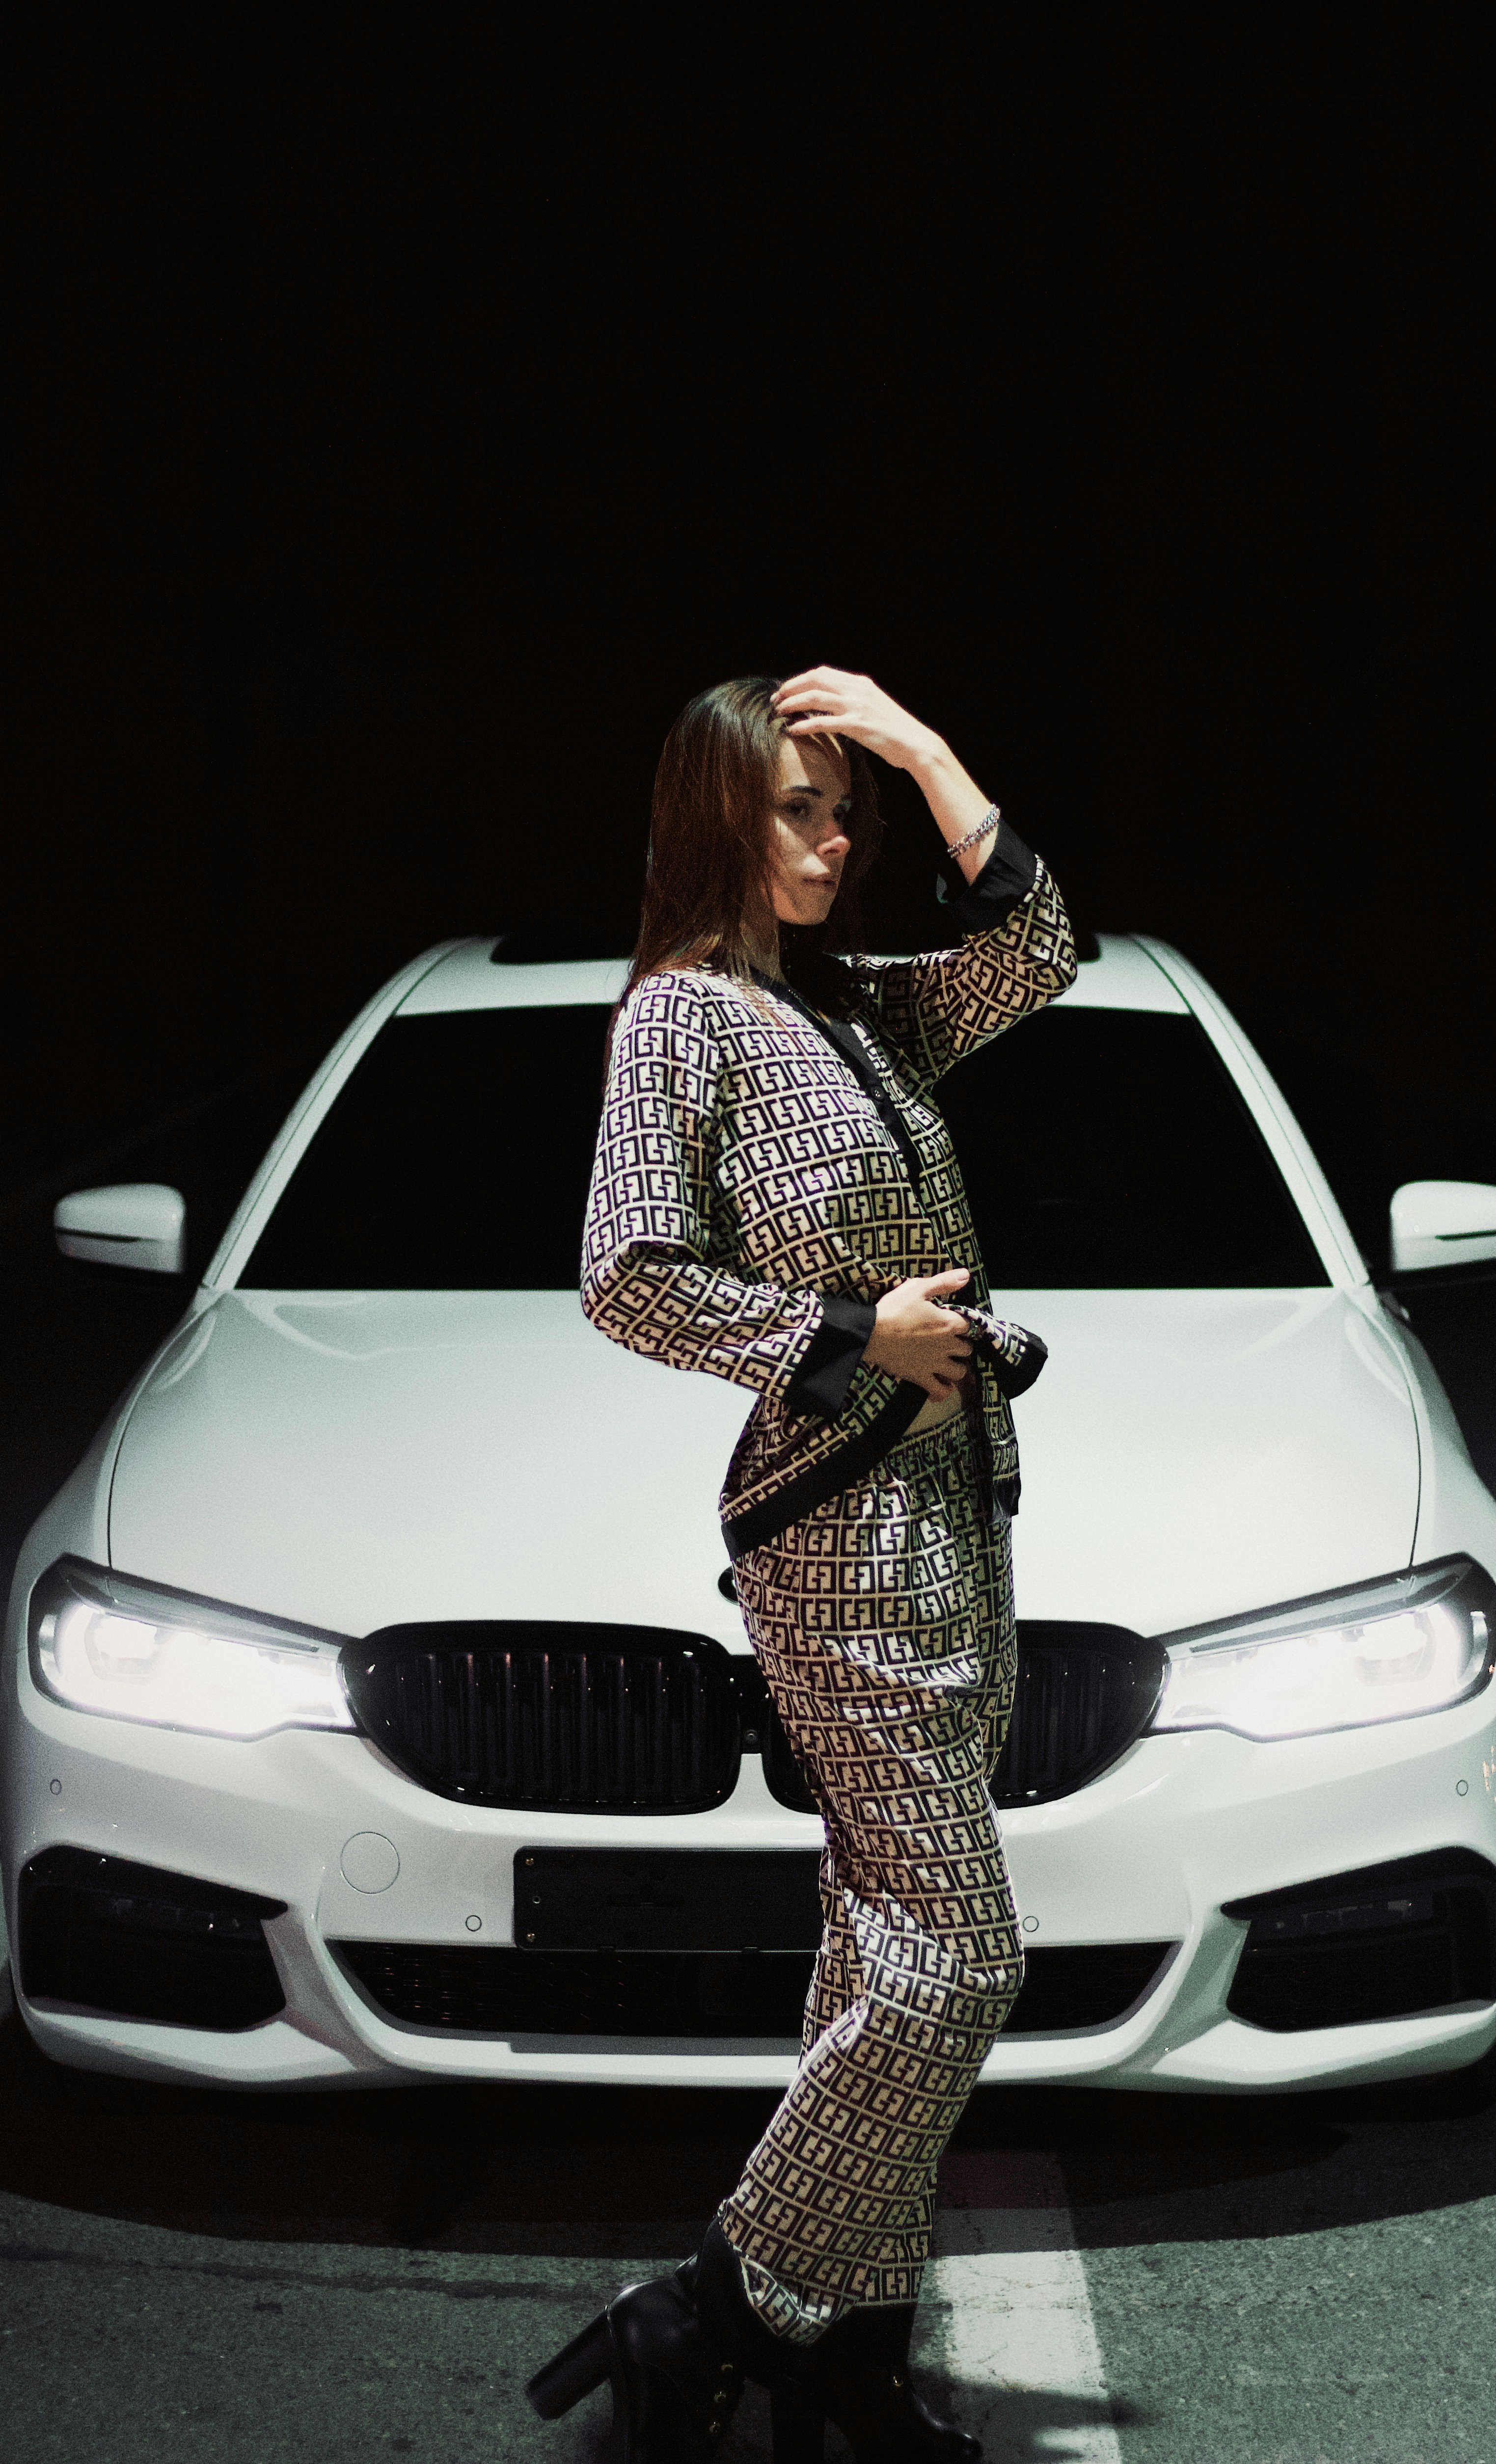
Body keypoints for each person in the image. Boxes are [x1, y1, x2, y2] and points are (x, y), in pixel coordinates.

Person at [527, 667, 1077, 2462]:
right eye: (802, 808)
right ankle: (713, 2298)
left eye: (847, 809)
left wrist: (927, 752)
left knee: (873, 1953)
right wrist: (848, 1329)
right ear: (715, 817)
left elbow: (1038, 948)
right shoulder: (680, 1019)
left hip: (954, 1522)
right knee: (959, 1960)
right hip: (836, 1530)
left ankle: (841, 2354)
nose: (837, 839)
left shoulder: (855, 1009)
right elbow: (625, 1272)